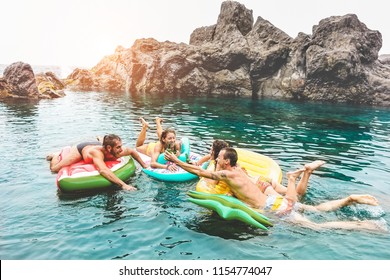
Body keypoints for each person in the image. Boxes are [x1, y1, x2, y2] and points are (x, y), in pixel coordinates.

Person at [165, 147, 386, 232]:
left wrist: (176, 159)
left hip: (272, 207)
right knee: (316, 209)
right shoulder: (240, 169)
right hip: (275, 200)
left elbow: (200, 172)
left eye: (220, 157)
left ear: (224, 162)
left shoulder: (226, 174)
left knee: (316, 227)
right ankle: (348, 199)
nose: (218, 159)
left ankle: (362, 225)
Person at [47, 134, 148, 191]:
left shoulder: (116, 151)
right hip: (83, 149)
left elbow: (132, 151)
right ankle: (55, 155)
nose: (121, 149)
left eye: (121, 146)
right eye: (118, 147)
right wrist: (123, 185)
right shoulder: (97, 153)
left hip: (99, 145)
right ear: (109, 148)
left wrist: (144, 166)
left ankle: (100, 139)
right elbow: (103, 170)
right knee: (55, 169)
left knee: (105, 145)